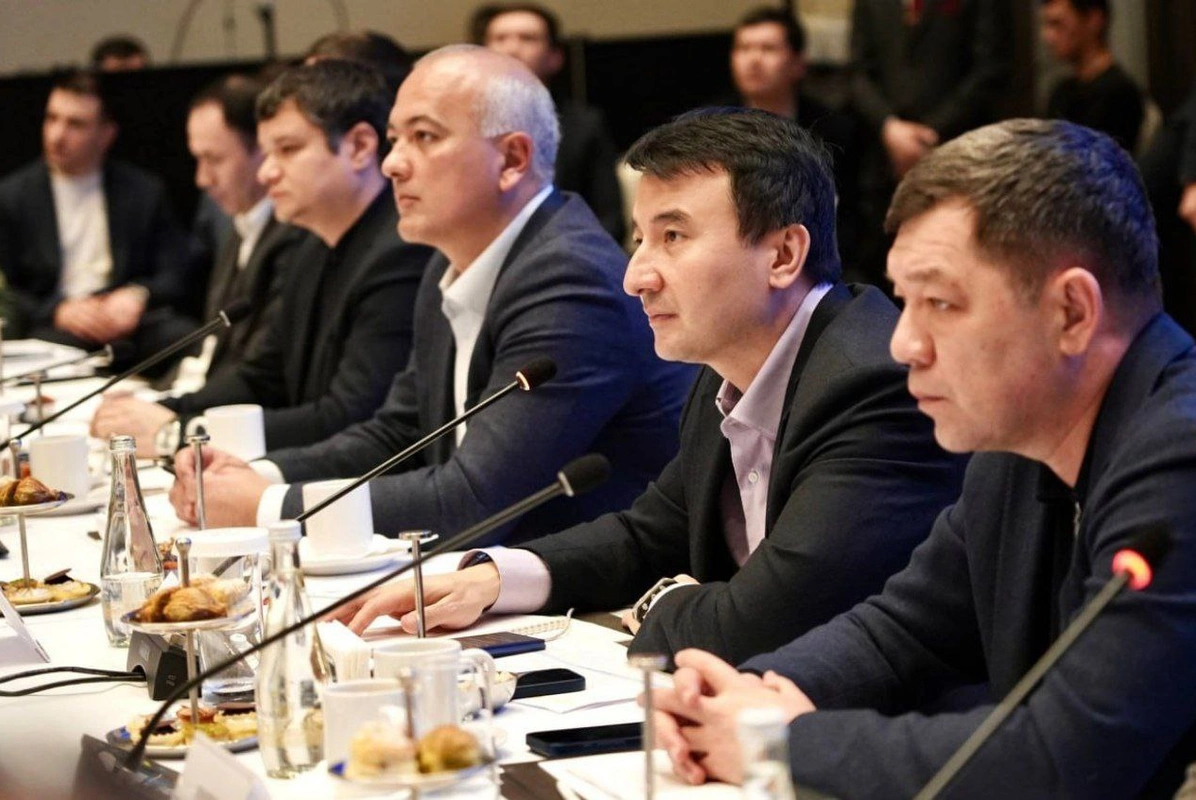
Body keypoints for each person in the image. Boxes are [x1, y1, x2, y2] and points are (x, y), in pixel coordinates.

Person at [648, 119, 1196, 799]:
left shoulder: (1179, 456)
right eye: (905, 302)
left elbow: (1067, 757)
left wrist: (776, 742)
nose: (905, 343)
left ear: (1072, 312)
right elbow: (902, 631)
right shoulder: (1019, 440)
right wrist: (744, 695)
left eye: (940, 302)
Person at [325, 108, 965, 664]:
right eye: (640, 238)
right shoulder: (728, 369)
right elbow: (649, 534)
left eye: (673, 237)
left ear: (782, 255)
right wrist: (493, 578)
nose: (636, 277)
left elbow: (764, 623)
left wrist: (658, 602)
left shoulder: (872, 386)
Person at [167, 45, 693, 544]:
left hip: (591, 594)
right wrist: (255, 474)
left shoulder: (569, 281)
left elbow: (472, 500)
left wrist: (268, 506)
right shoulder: (450, 259)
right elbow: (398, 433)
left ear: (512, 159)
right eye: (395, 138)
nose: (393, 163)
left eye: (423, 137)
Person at [124, 60, 431, 454]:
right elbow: (262, 377)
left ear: (358, 147)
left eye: (287, 150)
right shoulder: (310, 245)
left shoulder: (400, 253)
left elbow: (350, 416)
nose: (267, 172)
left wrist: (180, 431)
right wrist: (165, 410)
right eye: (267, 153)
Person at [90, 74, 307, 451]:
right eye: (198, 159)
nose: (202, 178)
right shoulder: (240, 225)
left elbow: (260, 372)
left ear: (260, 151)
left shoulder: (294, 237)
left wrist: (170, 415)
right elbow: (213, 350)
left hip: (233, 428)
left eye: (214, 159)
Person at [0, 70, 195, 369]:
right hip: (58, 325)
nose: (57, 135)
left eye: (75, 124)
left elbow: (176, 271)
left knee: (188, 338)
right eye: (52, 119)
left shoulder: (143, 191)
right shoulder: (11, 197)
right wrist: (58, 310)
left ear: (106, 134)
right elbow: (6, 289)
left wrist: (137, 295)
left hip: (126, 320)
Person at [849, 0, 1009, 286]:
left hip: (957, 153)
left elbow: (990, 69)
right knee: (883, 275)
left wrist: (930, 133)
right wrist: (889, 126)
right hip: (883, 156)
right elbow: (857, 72)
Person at [476, 3, 625, 243]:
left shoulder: (584, 125)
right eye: (500, 38)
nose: (512, 49)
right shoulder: (461, 125)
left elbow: (609, 220)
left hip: (564, 250)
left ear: (555, 57)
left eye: (527, 38)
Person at [728, 7, 860, 274]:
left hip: (827, 262)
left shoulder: (835, 128)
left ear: (798, 63)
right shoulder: (711, 128)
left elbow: (857, 212)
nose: (753, 60)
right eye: (744, 48)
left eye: (768, 49)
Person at [1041, 0, 1144, 152]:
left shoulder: (1117, 91)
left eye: (1057, 24)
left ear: (1093, 20)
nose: (1047, 36)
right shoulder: (1061, 90)